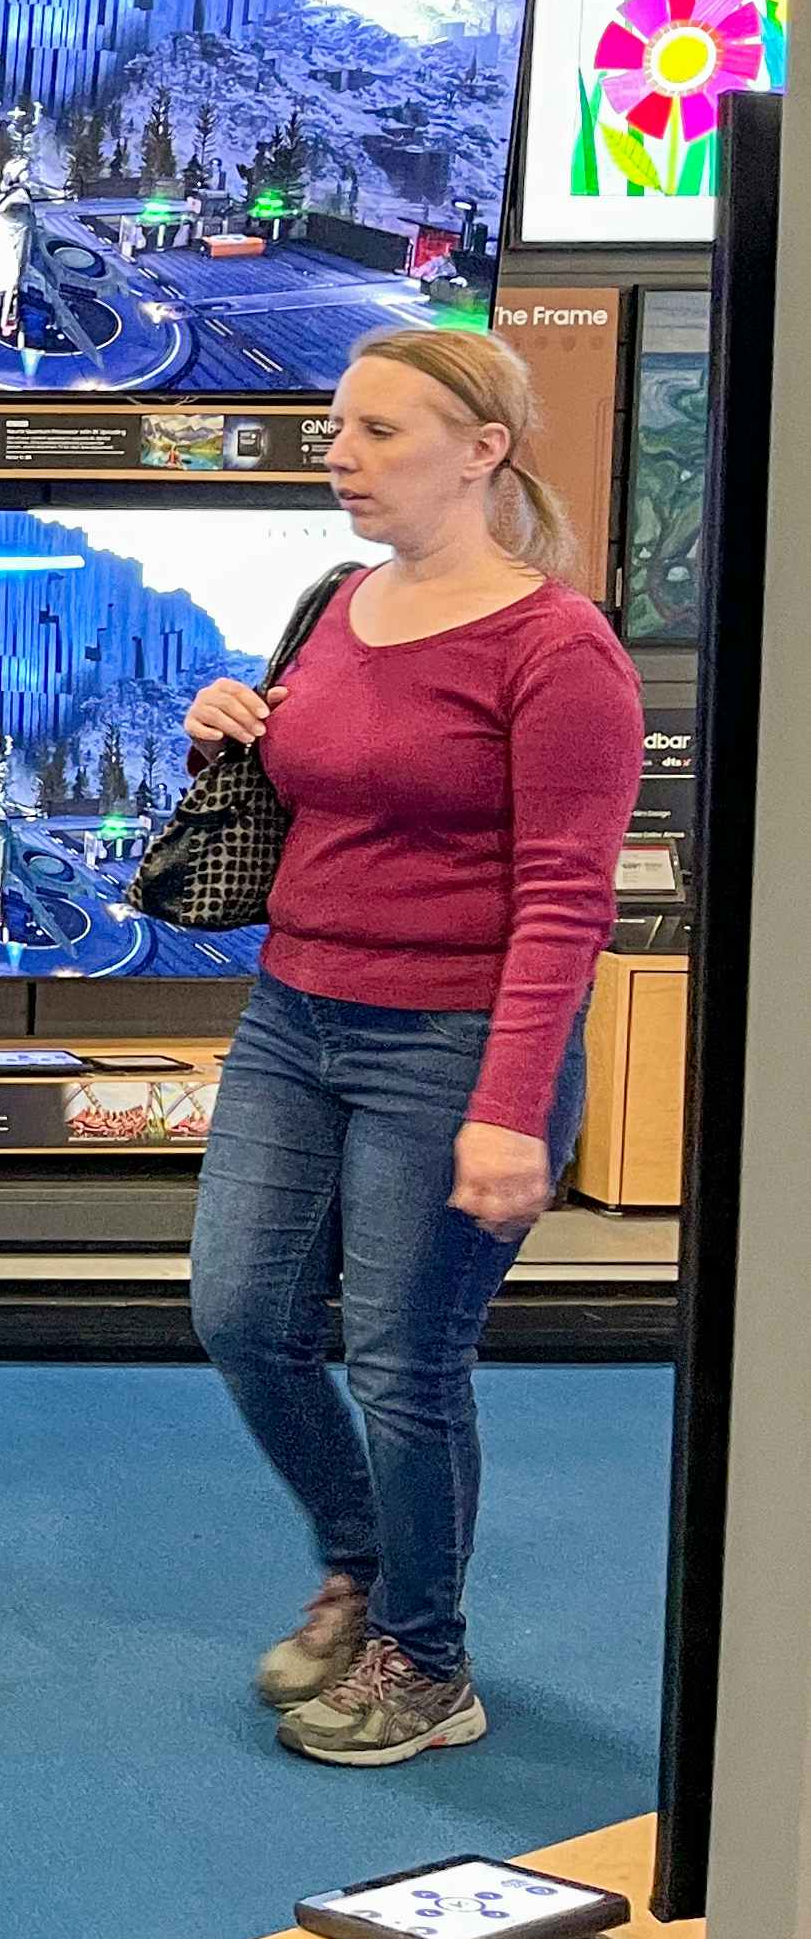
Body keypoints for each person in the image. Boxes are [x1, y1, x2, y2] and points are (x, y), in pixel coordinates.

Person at [186, 328, 642, 1769]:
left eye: (380, 431)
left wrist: (514, 1109)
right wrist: (230, 730)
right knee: (240, 1315)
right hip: (293, 1015)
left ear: (483, 449)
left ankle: (429, 1663)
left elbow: (568, 899)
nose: (342, 454)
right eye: (340, 428)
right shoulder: (337, 604)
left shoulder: (557, 648)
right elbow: (325, 791)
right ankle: (362, 1562)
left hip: (451, 1044)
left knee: (404, 1363)